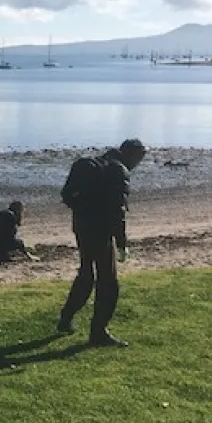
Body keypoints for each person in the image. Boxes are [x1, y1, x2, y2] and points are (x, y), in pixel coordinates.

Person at [57, 138, 147, 348]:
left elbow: (68, 196)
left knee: (86, 273)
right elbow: (118, 211)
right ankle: (98, 332)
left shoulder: (94, 164)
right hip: (100, 232)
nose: (139, 163)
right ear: (132, 154)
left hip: (81, 227)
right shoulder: (119, 171)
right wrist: (122, 243)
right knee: (108, 282)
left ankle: (66, 318)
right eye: (140, 157)